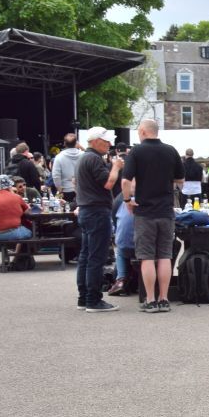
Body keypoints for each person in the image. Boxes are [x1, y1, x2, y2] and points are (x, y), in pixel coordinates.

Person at [121, 119, 184, 312]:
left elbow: (125, 181)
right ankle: (164, 299)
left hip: (145, 212)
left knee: (147, 257)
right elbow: (180, 180)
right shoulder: (171, 151)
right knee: (165, 256)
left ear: (142, 132)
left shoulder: (136, 152)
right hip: (166, 211)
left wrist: (127, 200)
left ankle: (150, 300)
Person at [75, 127, 124, 312]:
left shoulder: (83, 158)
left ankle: (84, 298)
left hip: (86, 210)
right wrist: (116, 167)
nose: (109, 144)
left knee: (86, 256)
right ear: (95, 141)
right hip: (97, 211)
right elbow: (108, 183)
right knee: (96, 257)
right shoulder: (94, 159)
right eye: (106, 141)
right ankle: (93, 300)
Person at [0, 174, 32, 271]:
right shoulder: (16, 197)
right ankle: (14, 260)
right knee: (27, 233)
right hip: (12, 233)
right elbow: (27, 211)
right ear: (10, 186)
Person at [51, 133, 82, 208]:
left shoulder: (59, 157)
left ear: (64, 143)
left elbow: (56, 176)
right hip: (81, 190)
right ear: (76, 143)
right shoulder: (83, 155)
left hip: (65, 190)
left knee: (66, 210)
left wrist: (59, 190)